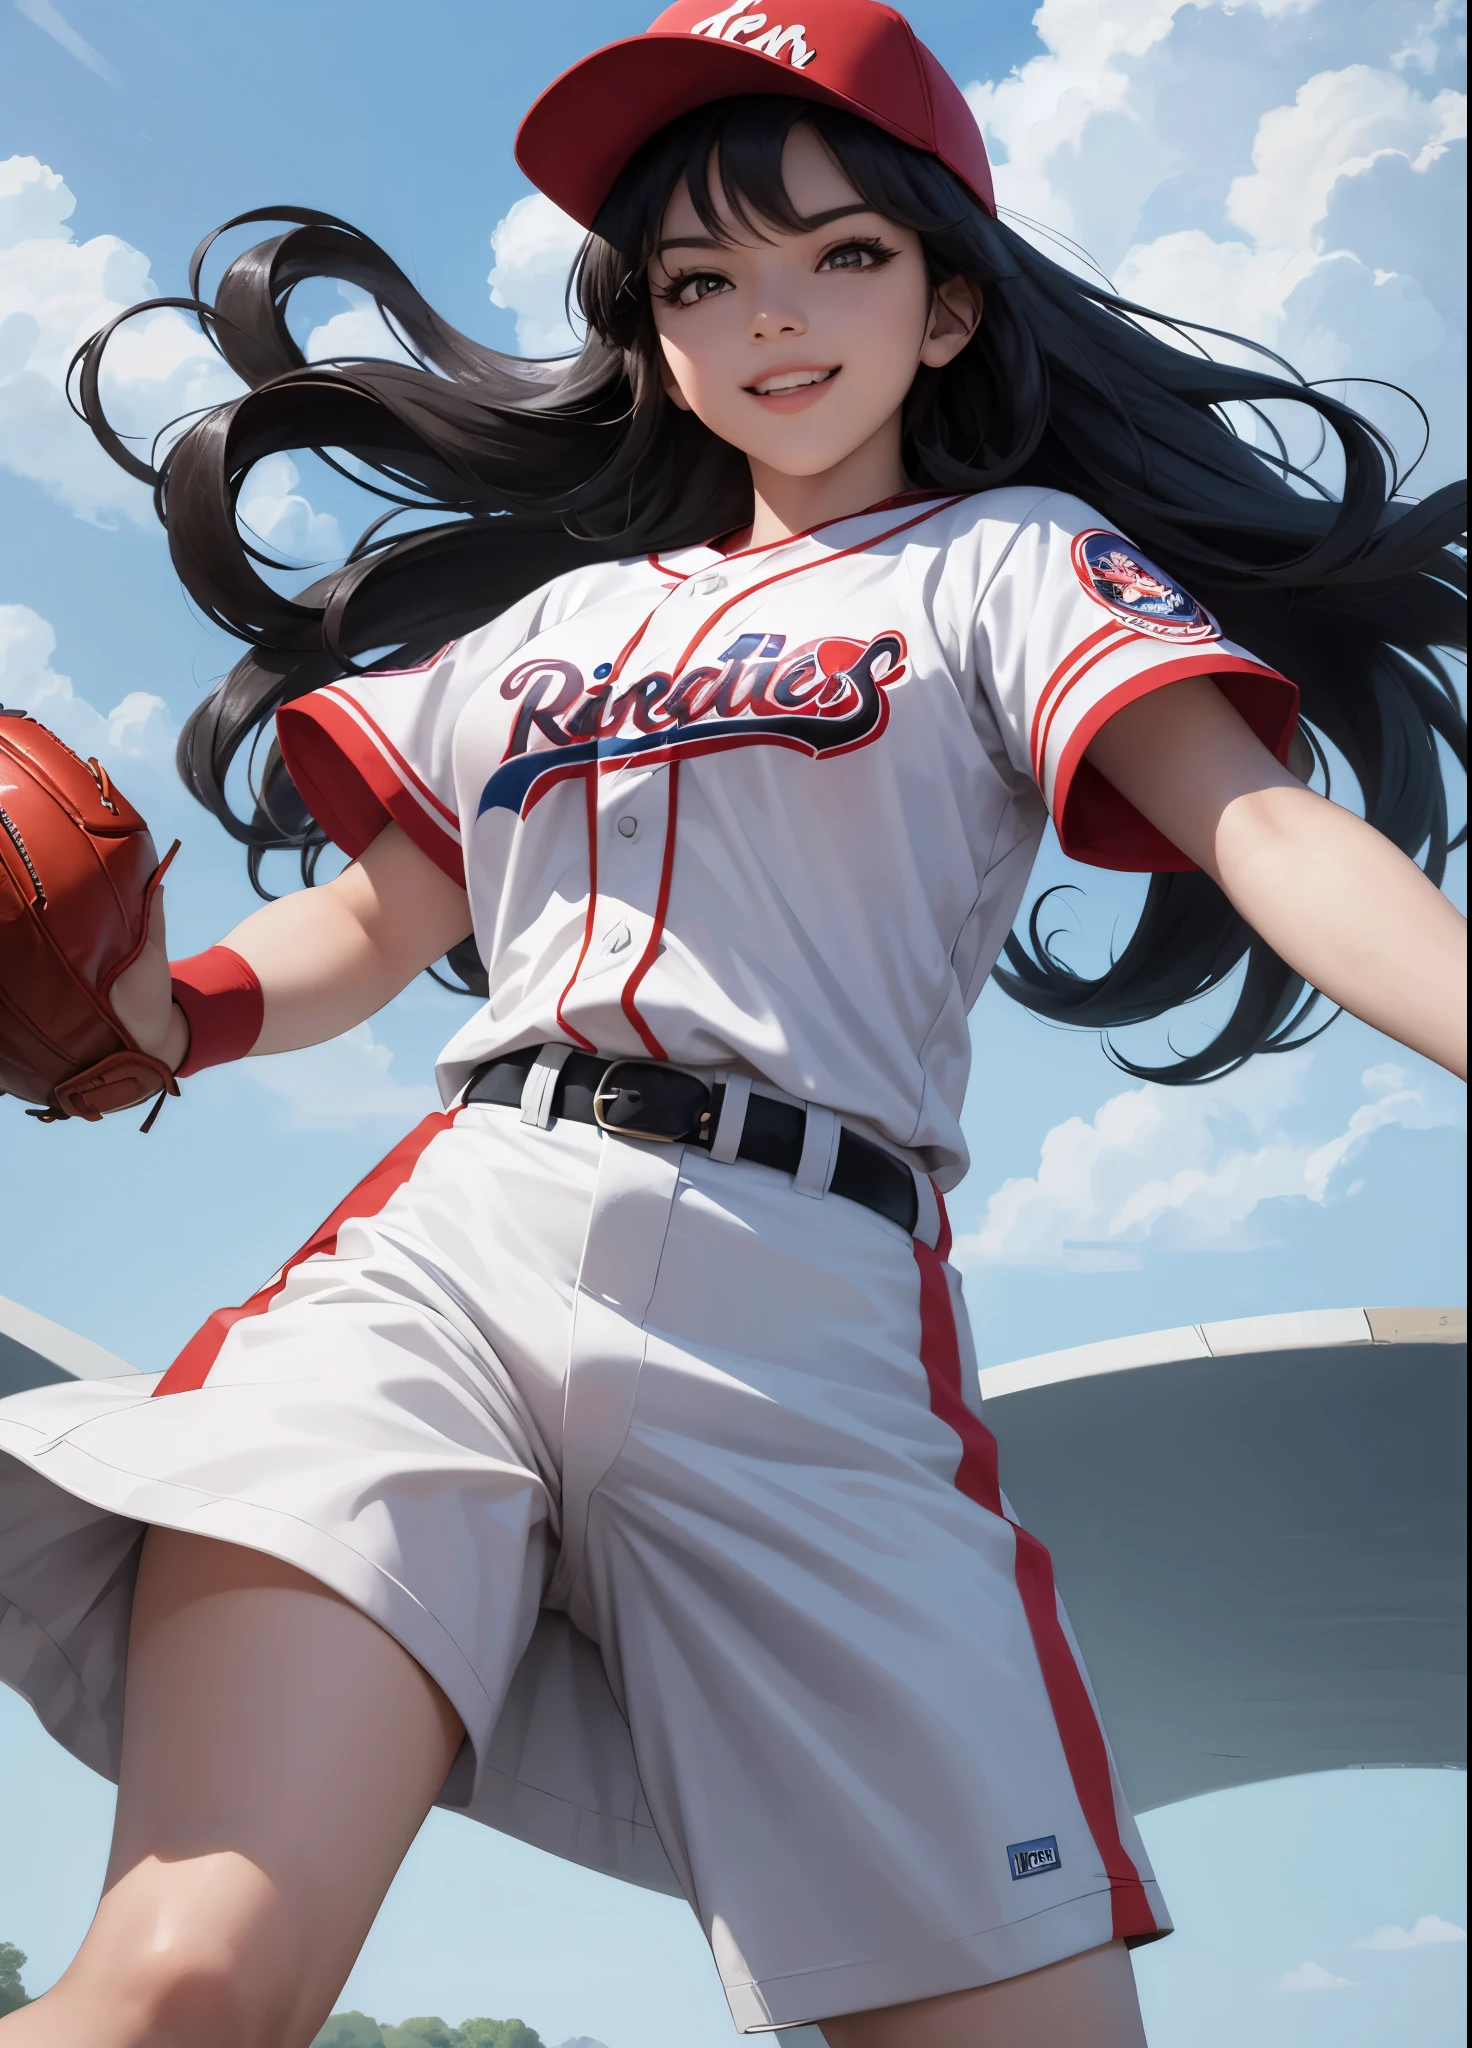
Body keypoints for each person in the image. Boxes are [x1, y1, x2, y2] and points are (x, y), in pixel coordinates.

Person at [0, 3, 1465, 2043]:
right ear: (648, 328)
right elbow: (370, 919)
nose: (769, 315)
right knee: (178, 1987)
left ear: (948, 306)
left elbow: (1268, 836)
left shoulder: (1012, 566)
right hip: (451, 1253)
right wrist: (149, 1020)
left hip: (802, 1314)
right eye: (701, 276)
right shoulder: (540, 631)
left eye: (838, 252)